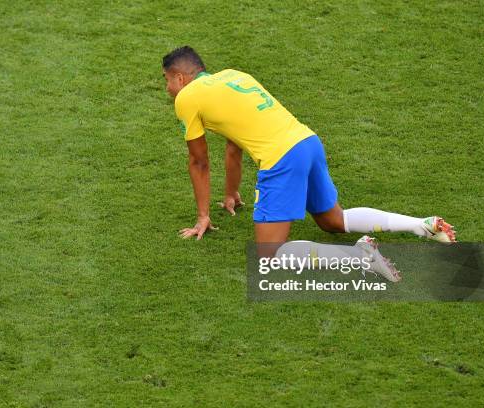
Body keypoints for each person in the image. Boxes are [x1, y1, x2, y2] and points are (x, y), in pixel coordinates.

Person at [162, 46, 456, 281]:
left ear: (180, 78)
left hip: (281, 160)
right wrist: (230, 193)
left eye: (167, 81)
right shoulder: (233, 75)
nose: (168, 90)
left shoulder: (188, 97)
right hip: (307, 142)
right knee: (332, 221)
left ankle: (361, 256)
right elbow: (233, 144)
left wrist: (203, 216)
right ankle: (421, 225)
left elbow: (198, 161)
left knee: (268, 255)